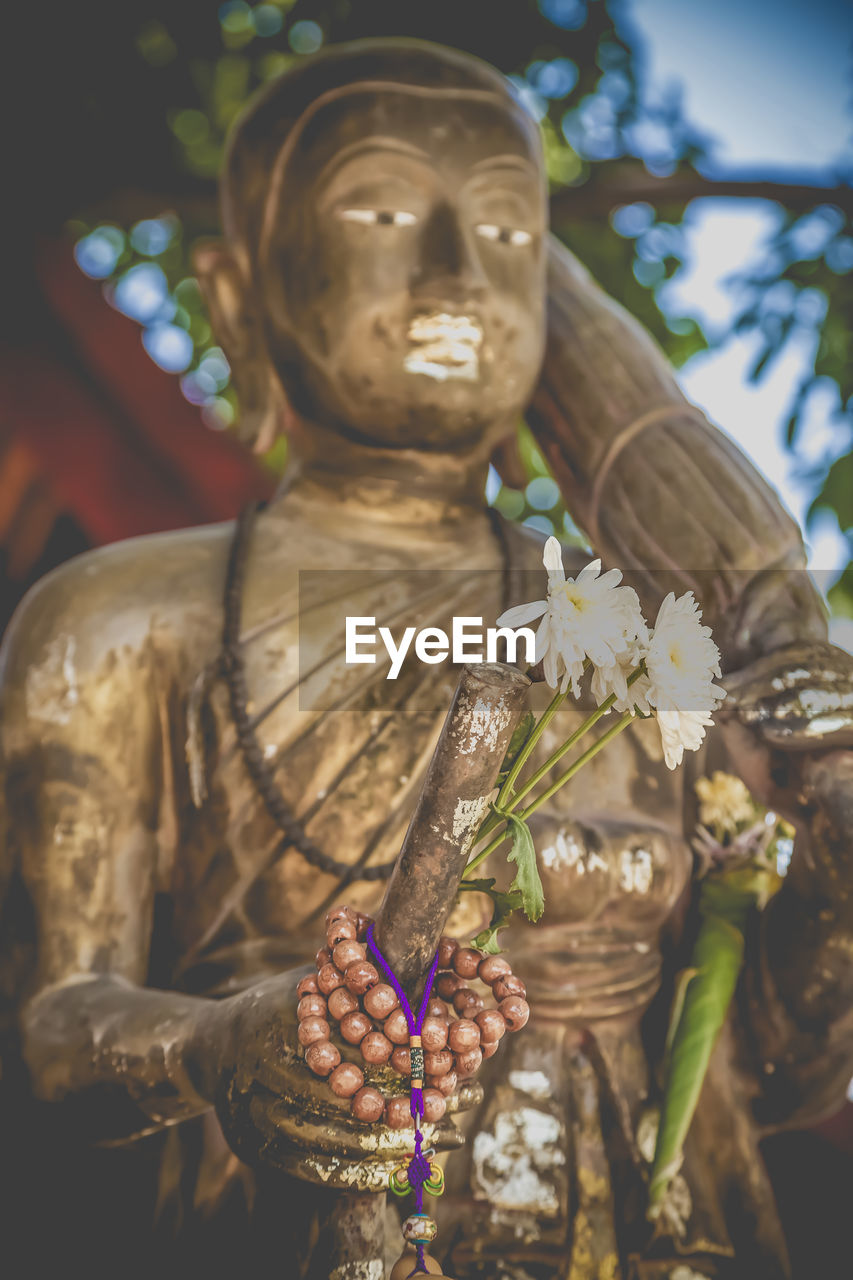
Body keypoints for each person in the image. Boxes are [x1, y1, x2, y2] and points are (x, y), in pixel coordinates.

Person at [1, 39, 851, 1280]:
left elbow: (765, 1065)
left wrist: (834, 852)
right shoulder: (122, 620)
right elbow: (51, 1037)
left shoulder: (634, 635)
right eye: (383, 207)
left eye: (506, 231)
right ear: (234, 297)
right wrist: (218, 1047)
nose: (453, 273)